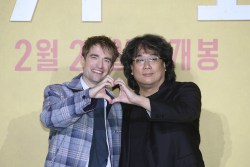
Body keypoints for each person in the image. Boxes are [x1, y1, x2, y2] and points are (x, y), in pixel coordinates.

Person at [112, 34, 205, 167]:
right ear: (131, 69)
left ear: (165, 64)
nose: (147, 66)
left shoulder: (185, 91)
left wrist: (138, 100)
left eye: (153, 58)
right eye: (139, 60)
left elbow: (186, 113)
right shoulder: (125, 106)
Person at [40, 35, 122, 167]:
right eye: (94, 57)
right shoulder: (59, 91)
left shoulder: (116, 103)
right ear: (83, 60)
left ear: (111, 67)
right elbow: (48, 119)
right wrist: (88, 94)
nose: (100, 65)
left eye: (106, 60)